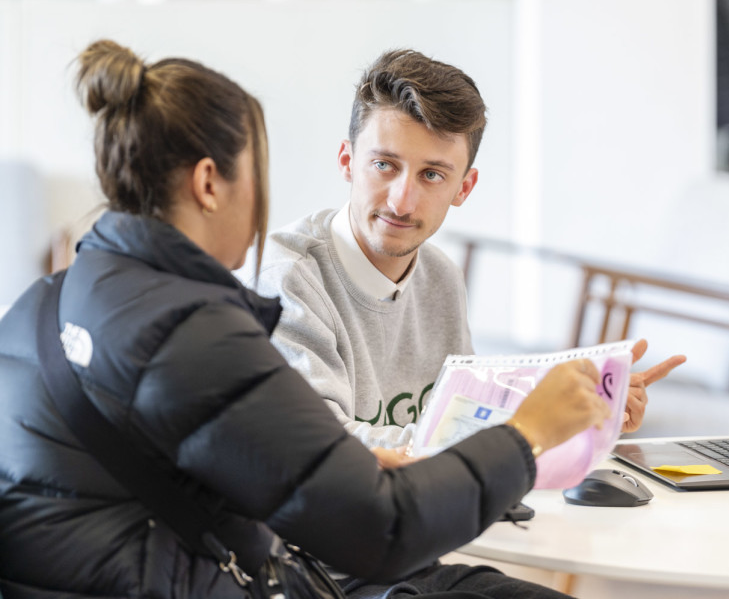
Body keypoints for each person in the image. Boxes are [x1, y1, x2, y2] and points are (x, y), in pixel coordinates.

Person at [0, 40, 616, 599]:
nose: (403, 197)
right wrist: (525, 436)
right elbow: (379, 531)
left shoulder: (48, 300)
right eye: (259, 174)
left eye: (432, 174)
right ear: (212, 184)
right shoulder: (195, 333)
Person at [245, 49, 686, 454]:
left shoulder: (440, 275)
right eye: (384, 165)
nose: (402, 201)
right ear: (347, 161)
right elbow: (324, 445)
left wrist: (585, 413)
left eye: (432, 175)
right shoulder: (285, 279)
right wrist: (530, 428)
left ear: (464, 188)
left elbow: (458, 418)